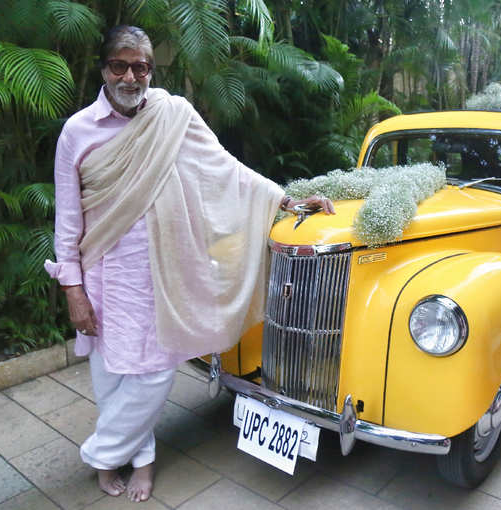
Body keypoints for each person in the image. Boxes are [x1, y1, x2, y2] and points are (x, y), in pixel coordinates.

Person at [44, 25, 334, 503]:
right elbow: (68, 220)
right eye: (121, 64)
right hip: (99, 275)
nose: (131, 76)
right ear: (103, 69)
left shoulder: (172, 114)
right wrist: (73, 289)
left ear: (151, 71)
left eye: (142, 67)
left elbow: (225, 168)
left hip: (161, 276)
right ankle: (141, 459)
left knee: (154, 373)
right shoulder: (77, 132)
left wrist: (285, 201)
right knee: (111, 376)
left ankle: (102, 452)